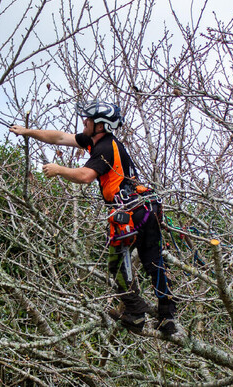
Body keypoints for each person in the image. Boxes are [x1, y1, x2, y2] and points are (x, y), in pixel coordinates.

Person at [10, 100, 176, 334]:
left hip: (129, 213)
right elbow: (59, 138)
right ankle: (167, 318)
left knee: (118, 263)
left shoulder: (106, 147)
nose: (83, 122)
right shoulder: (95, 140)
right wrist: (28, 132)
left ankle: (136, 313)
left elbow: (86, 175)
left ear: (100, 125)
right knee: (155, 263)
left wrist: (59, 170)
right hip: (145, 209)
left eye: (87, 119)